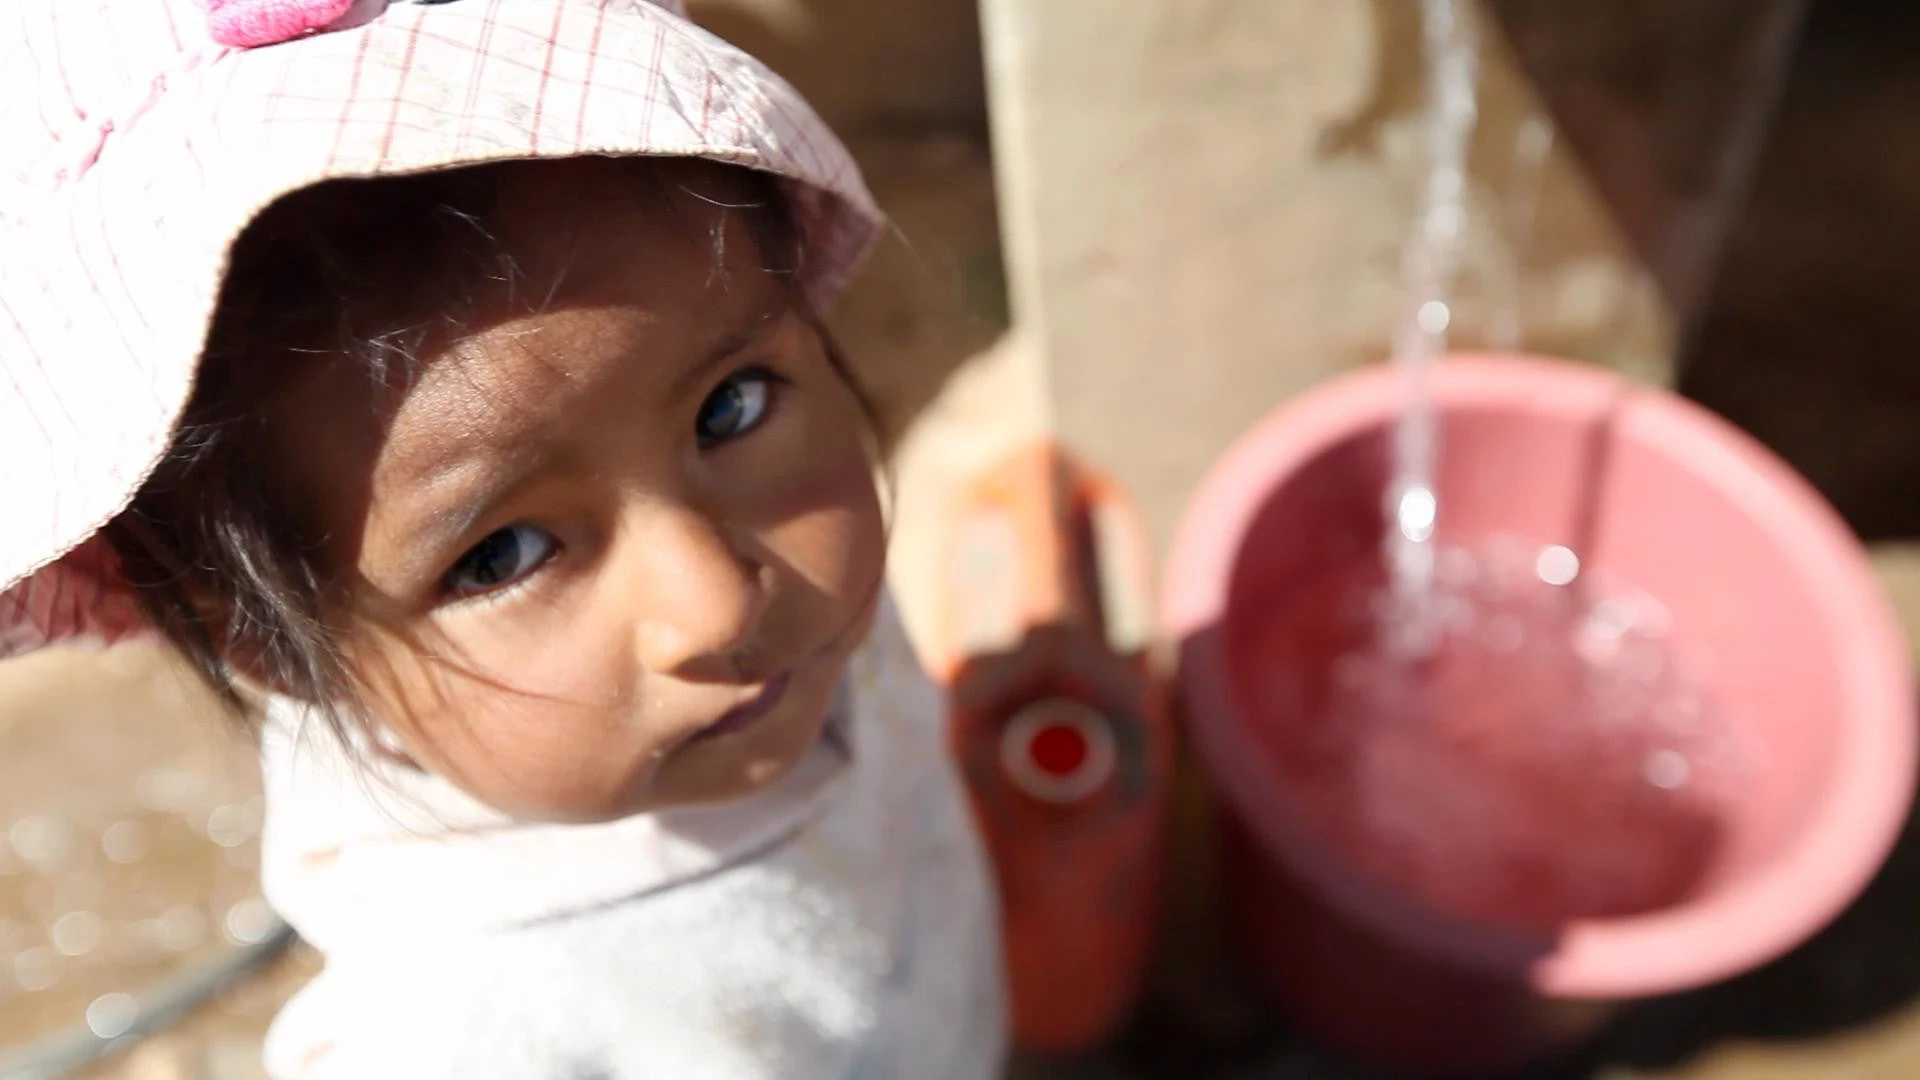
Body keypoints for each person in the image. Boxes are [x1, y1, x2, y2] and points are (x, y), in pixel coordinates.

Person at [0, 1, 1006, 1076]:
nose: (718, 600)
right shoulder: (459, 1032)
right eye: (501, 557)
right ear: (261, 641)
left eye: (731, 408)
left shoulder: (790, 614)